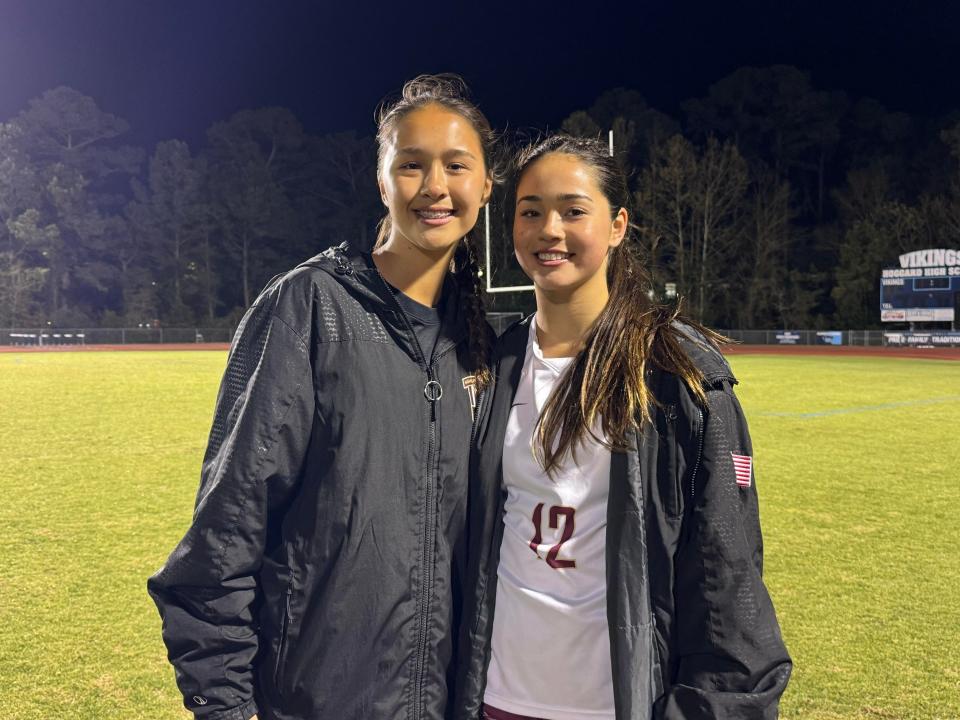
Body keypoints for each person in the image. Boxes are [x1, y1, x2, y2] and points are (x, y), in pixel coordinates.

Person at [148, 74, 500, 720]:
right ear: (381, 181)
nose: (436, 187)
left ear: (485, 184)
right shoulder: (308, 309)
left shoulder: (480, 347)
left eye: (457, 166)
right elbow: (222, 542)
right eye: (412, 165)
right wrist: (226, 707)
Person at [455, 135, 791, 720]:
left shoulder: (678, 375)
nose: (548, 229)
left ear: (617, 226)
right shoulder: (493, 365)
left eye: (573, 210)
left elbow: (726, 582)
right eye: (530, 211)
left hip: (620, 703)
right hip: (495, 697)